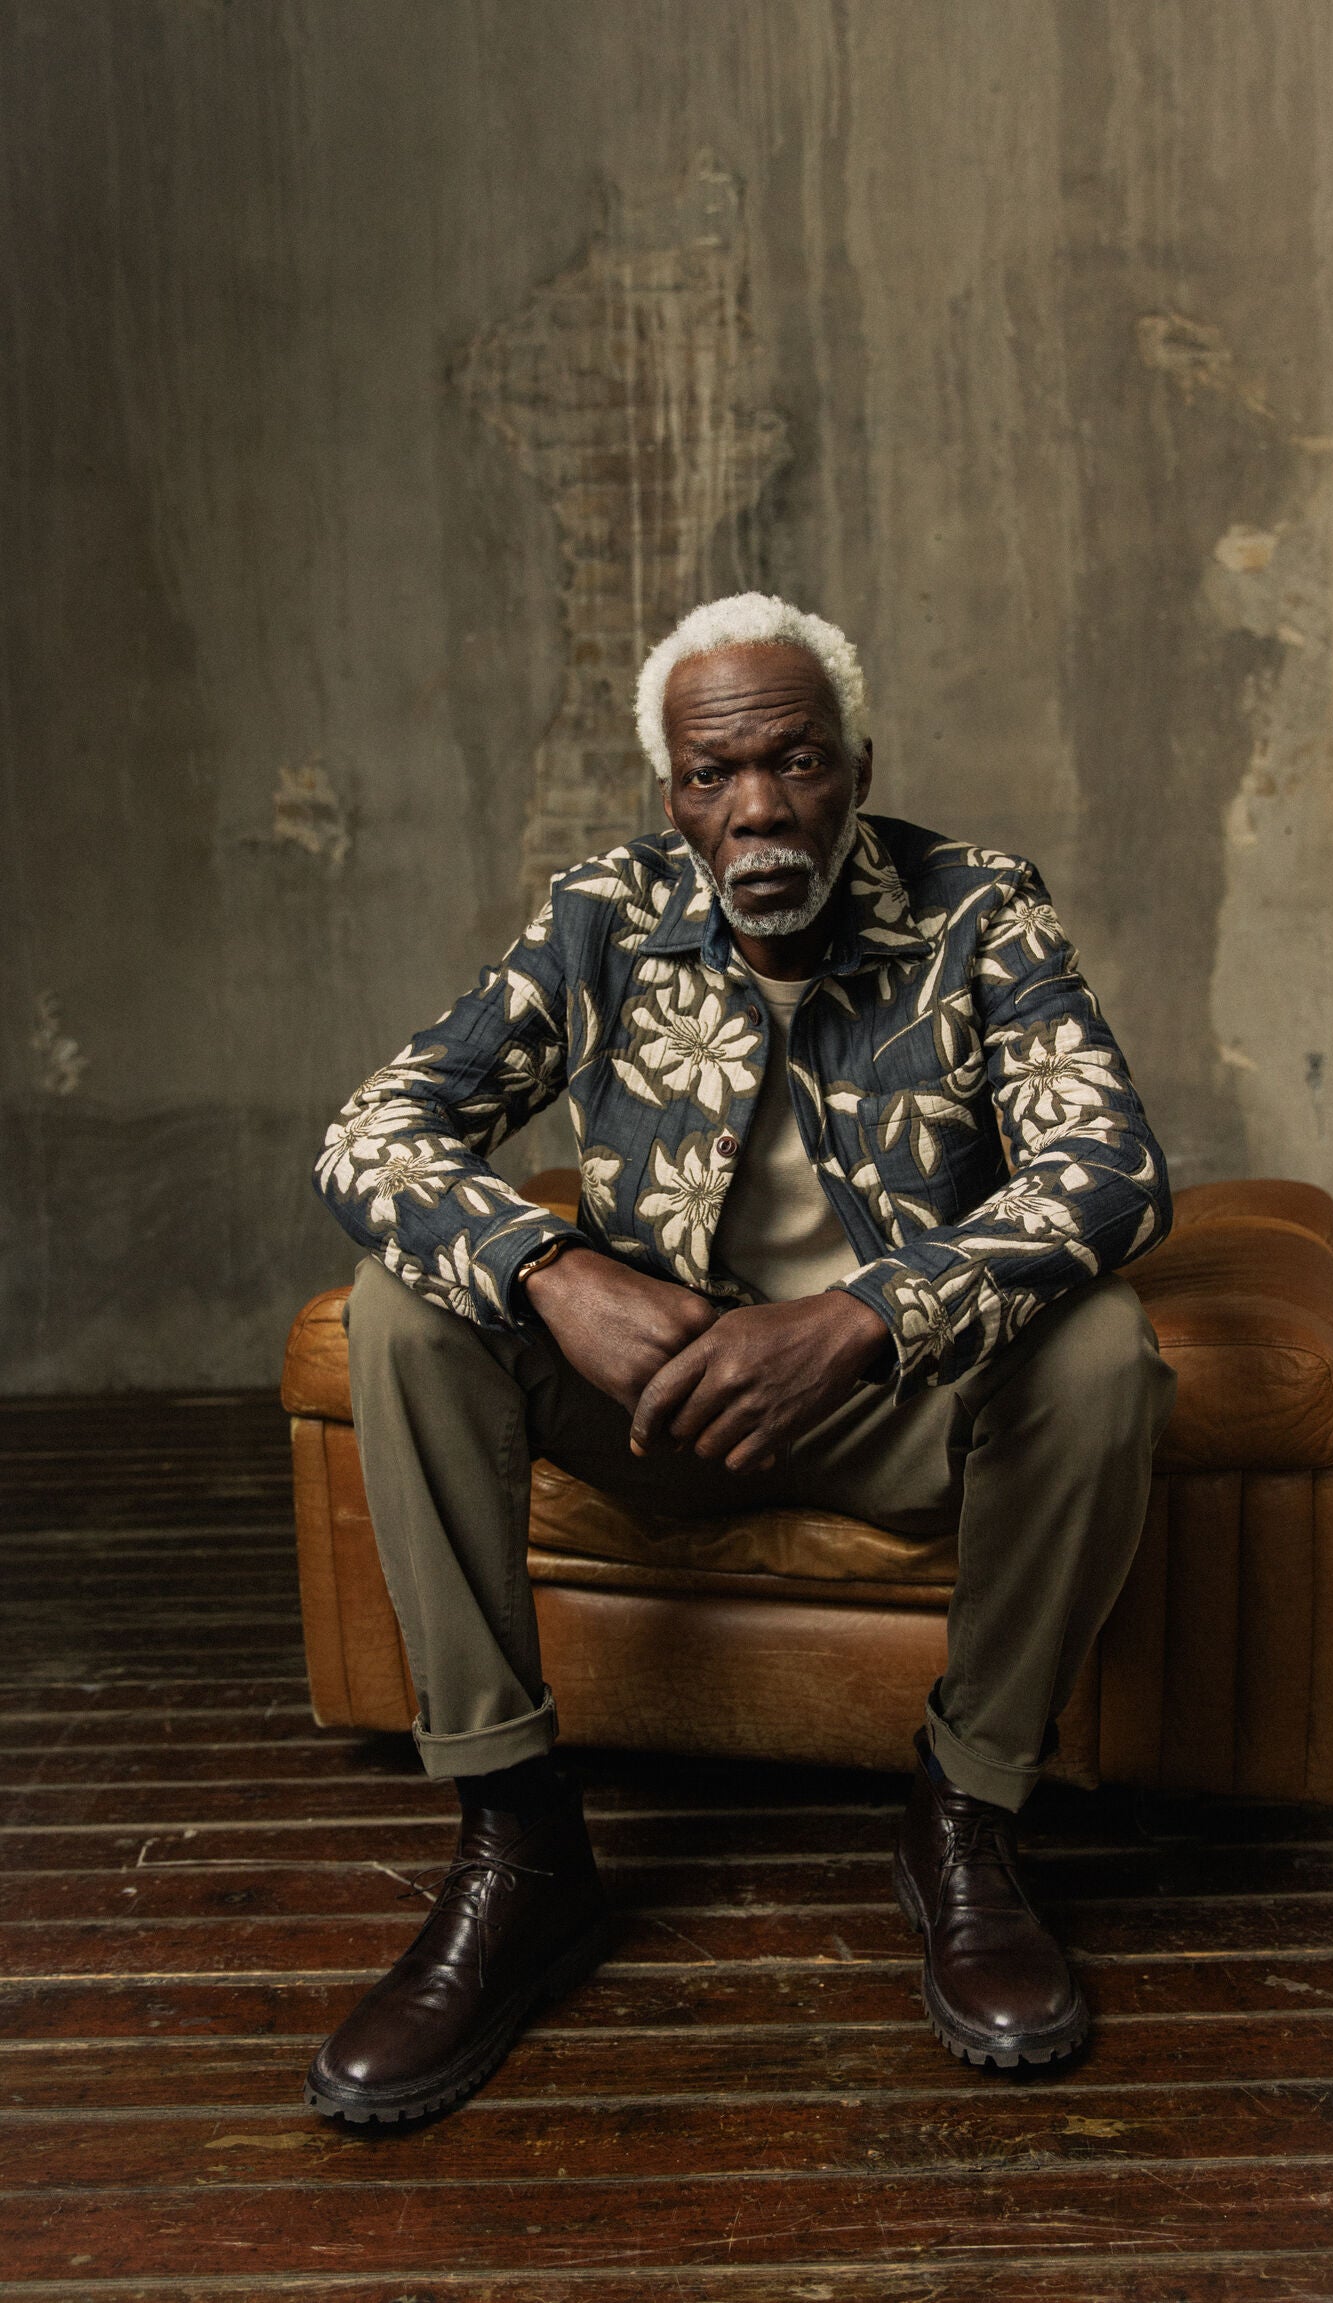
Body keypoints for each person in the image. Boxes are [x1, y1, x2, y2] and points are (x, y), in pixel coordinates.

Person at [304, 591, 1176, 2124]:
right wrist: (554, 1269)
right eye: (714, 774)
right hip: (652, 1404)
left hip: (896, 1404)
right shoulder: (601, 915)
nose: (760, 808)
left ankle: (966, 1820)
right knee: (404, 1307)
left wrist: (861, 1319)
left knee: (1102, 1349)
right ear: (674, 798)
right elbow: (373, 1133)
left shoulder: (979, 910)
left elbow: (1110, 1170)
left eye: (797, 761)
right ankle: (518, 1845)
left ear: (857, 766)